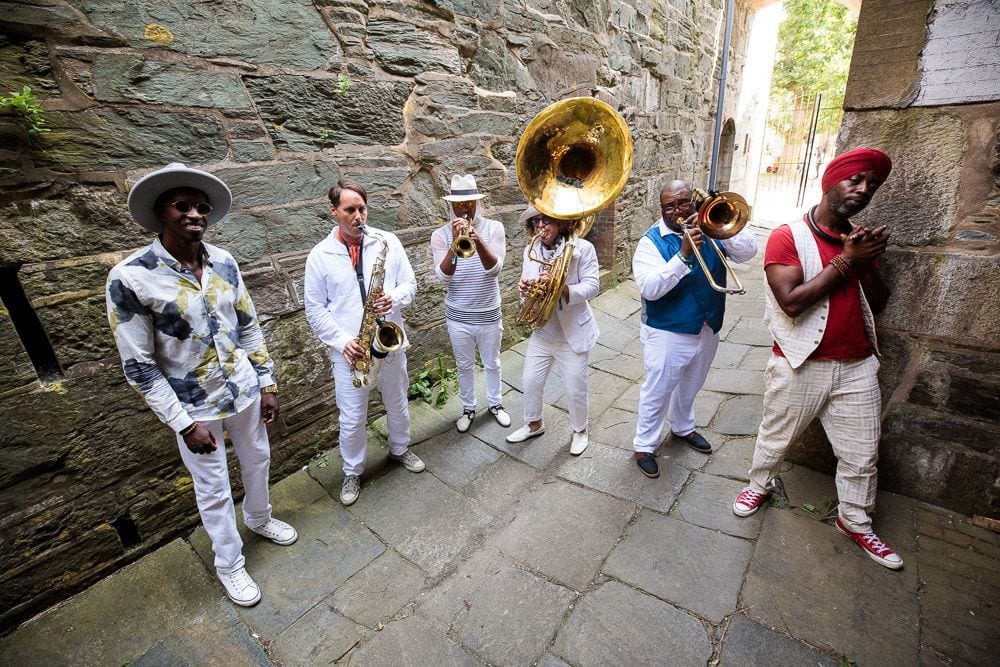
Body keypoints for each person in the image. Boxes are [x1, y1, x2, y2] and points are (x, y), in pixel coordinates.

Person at [106, 163, 297, 607]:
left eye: (202, 207)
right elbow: (139, 365)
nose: (195, 214)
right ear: (161, 213)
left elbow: (248, 325)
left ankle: (259, 517)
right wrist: (184, 424)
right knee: (212, 489)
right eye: (183, 205)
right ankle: (230, 565)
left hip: (245, 390)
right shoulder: (130, 277)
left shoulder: (225, 263)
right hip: (195, 407)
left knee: (258, 460)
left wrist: (267, 382)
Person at [732, 147, 903, 570]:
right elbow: (791, 303)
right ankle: (760, 484)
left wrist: (864, 264)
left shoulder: (859, 241)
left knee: (862, 454)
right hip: (799, 363)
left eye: (871, 185)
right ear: (831, 182)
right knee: (776, 438)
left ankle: (855, 520)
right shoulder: (788, 236)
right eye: (855, 180)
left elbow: (878, 305)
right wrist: (847, 260)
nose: (863, 191)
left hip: (857, 366)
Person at [303, 178, 424, 508]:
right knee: (352, 417)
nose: (359, 216)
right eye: (350, 210)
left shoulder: (387, 242)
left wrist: (393, 298)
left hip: (388, 341)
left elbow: (410, 285)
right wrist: (342, 342)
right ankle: (353, 471)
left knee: (398, 401)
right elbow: (314, 308)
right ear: (334, 212)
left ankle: (400, 449)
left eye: (362, 209)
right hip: (350, 350)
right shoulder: (319, 256)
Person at [631, 180, 758, 478]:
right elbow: (650, 288)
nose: (677, 211)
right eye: (669, 206)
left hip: (707, 325)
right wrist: (683, 254)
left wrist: (720, 221)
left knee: (692, 385)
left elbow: (748, 251)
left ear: (694, 202)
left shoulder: (710, 229)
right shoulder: (651, 242)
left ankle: (683, 427)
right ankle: (644, 445)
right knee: (658, 390)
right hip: (667, 331)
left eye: (684, 203)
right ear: (661, 209)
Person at [505, 205, 599, 456]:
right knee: (530, 380)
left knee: (574, 387)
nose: (540, 227)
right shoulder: (531, 250)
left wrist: (563, 289)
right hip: (544, 331)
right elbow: (527, 290)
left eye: (545, 220)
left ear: (561, 222)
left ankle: (580, 430)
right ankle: (534, 424)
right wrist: (525, 291)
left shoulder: (583, 249)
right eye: (535, 222)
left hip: (572, 334)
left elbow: (593, 286)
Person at [430, 174, 510, 433]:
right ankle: (468, 408)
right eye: (459, 205)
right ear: (451, 206)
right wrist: (455, 245)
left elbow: (494, 269)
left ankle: (496, 404)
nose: (465, 209)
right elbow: (443, 276)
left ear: (477, 202)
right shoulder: (440, 235)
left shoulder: (495, 228)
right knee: (463, 366)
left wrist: (477, 240)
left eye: (470, 203)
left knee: (492, 363)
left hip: (488, 313)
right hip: (458, 317)